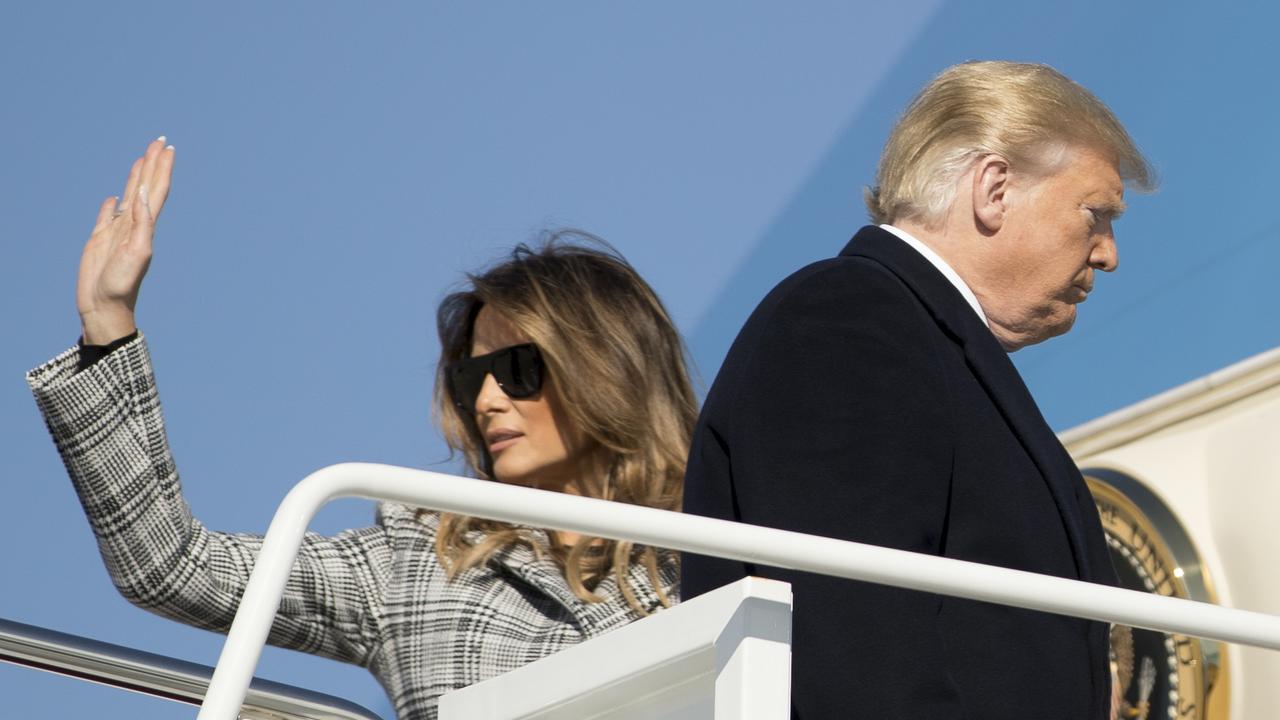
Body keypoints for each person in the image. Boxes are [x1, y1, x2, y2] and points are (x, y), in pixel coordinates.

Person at [28, 139, 698, 720]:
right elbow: (171, 567)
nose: (488, 400)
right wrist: (107, 321)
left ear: (606, 369)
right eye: (471, 379)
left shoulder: (720, 543)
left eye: (518, 369)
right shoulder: (418, 560)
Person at [681, 61, 1154, 720]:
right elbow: (850, 640)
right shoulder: (849, 319)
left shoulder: (909, 337)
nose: (1108, 254)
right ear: (994, 188)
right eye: (1095, 213)